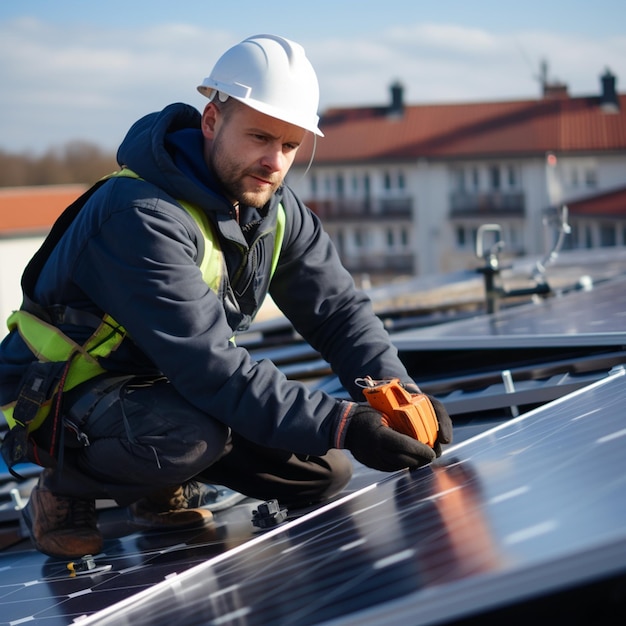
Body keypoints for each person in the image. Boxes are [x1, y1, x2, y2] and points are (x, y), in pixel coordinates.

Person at [0, 34, 452, 560]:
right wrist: (344, 422)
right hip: (65, 394)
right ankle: (64, 488)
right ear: (211, 121)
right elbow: (211, 367)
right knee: (189, 437)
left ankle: (156, 486)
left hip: (166, 388)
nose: (274, 161)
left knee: (323, 470)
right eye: (259, 137)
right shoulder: (141, 214)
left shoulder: (273, 211)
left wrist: (400, 394)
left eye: (289, 146)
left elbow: (339, 316)